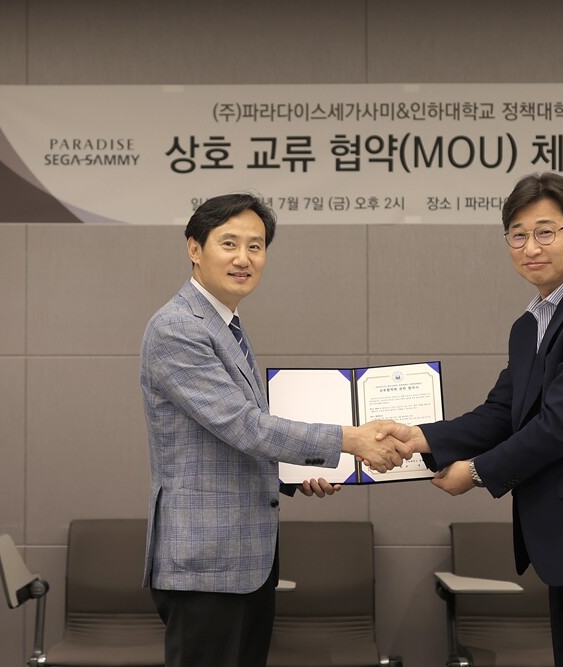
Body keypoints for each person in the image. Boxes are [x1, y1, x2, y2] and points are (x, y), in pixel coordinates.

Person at [388, 172, 563, 666]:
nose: (531, 247)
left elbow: (558, 427)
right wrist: (418, 437)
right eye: (518, 235)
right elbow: (502, 412)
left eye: (546, 231)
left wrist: (475, 472)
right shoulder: (530, 325)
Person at [140, 192, 409, 667]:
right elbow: (244, 426)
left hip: (243, 559)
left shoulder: (225, 324)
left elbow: (227, 441)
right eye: (229, 243)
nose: (243, 258)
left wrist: (289, 475)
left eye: (256, 246)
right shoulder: (177, 328)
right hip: (207, 563)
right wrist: (351, 440)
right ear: (194, 248)